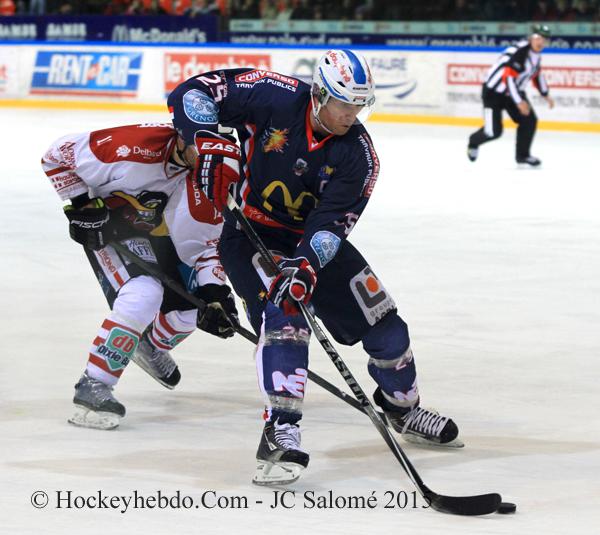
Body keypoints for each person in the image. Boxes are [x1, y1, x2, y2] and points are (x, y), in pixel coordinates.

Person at [167, 49, 461, 486]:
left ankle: (404, 407)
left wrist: (306, 266)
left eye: (360, 105)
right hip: (251, 234)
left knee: (387, 328)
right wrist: (205, 138)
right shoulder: (273, 95)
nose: (352, 114)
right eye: (345, 103)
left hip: (310, 242)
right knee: (284, 317)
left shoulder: (359, 156)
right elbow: (191, 92)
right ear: (320, 94)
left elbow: (330, 226)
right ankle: (280, 432)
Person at [41, 122, 238, 430]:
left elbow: (206, 245)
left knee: (191, 311)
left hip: (159, 235)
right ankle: (94, 384)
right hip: (113, 230)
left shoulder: (216, 176)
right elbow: (55, 156)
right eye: (205, 151)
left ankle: (149, 346)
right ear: (184, 140)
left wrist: (214, 293)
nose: (210, 164)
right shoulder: (132, 148)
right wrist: (82, 204)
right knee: (144, 293)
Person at [467, 24, 555, 167]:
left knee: (529, 120)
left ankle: (523, 156)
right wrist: (519, 102)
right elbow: (508, 78)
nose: (541, 42)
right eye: (538, 38)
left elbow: (536, 74)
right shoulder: (519, 52)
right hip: (493, 94)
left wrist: (545, 94)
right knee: (493, 132)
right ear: (531, 38)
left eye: (545, 40)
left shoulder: (536, 56)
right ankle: (473, 141)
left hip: (513, 92)